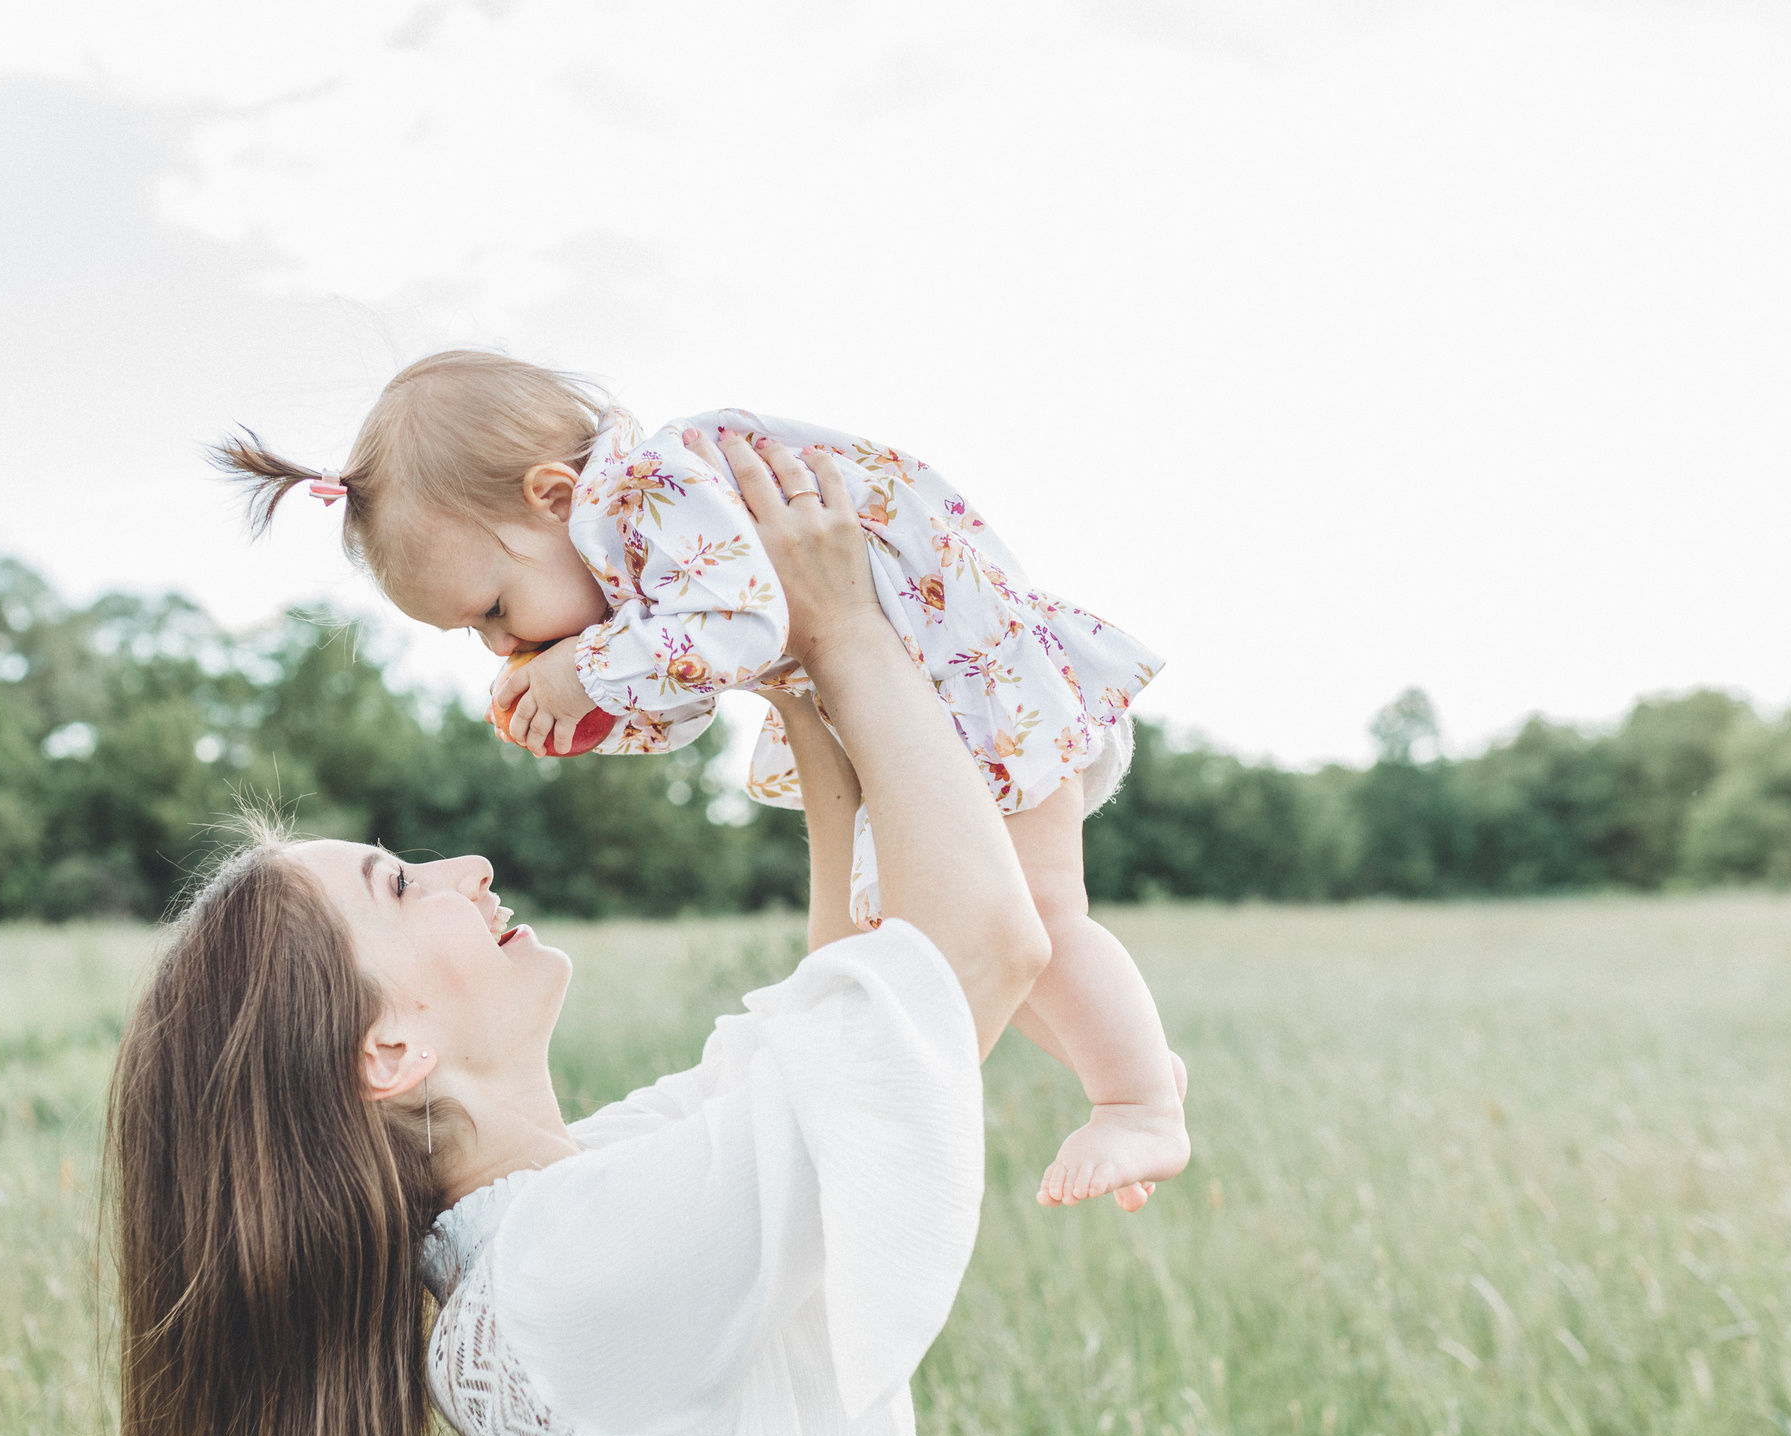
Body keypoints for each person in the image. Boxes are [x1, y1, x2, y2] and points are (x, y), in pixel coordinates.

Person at [105, 435, 1147, 1436]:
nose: (465, 867)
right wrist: (852, 627)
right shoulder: (576, 1269)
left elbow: (833, 1014)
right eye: (397, 883)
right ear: (388, 1051)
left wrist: (800, 685)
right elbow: (973, 949)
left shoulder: (577, 1207)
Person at [213, 351, 1186, 1210]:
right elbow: (704, 678)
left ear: (553, 498)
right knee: (940, 937)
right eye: (480, 635)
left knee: (1036, 918)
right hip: (921, 703)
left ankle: (1137, 1099)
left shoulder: (654, 490)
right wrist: (598, 711)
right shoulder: (632, 562)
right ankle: (1135, 1063)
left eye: (494, 609)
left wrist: (584, 671)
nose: (503, 644)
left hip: (969, 680)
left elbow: (745, 632)